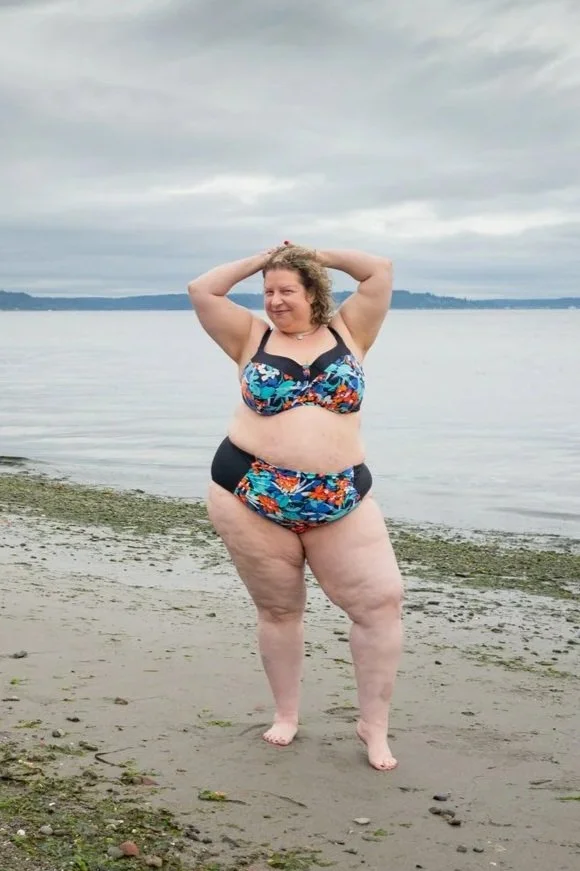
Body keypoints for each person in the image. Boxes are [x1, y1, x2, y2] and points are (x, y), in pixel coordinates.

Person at [187, 242, 403, 771]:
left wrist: (313, 254)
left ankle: (374, 727)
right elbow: (202, 289)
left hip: (340, 494)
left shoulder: (351, 331)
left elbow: (378, 270)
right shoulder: (249, 336)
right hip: (251, 491)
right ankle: (286, 715)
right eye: (268, 292)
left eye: (287, 290)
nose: (276, 300)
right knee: (280, 610)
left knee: (381, 603)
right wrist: (263, 259)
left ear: (314, 291)